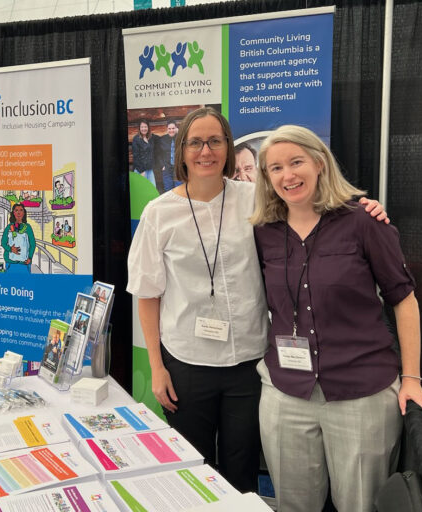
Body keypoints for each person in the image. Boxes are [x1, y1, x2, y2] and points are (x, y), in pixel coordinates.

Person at [128, 107, 389, 494]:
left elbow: (315, 210)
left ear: (228, 149)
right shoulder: (158, 214)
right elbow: (148, 294)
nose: (206, 151)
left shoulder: (257, 200)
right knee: (193, 470)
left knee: (242, 469)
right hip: (187, 362)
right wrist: (157, 366)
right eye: (195, 142)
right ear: (181, 151)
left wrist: (365, 208)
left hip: (250, 364)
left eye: (215, 141)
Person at [250, 125, 422, 512]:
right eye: (276, 168)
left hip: (361, 395)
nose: (288, 175)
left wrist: (412, 379)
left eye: (296, 162)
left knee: (361, 506)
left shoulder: (363, 221)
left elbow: (404, 300)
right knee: (293, 505)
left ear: (319, 162)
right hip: (286, 393)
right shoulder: (262, 231)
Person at [1, 203, 35, 272]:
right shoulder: (8, 227)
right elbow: (3, 242)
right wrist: (11, 249)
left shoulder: (28, 227)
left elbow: (33, 244)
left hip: (24, 263)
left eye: (21, 210)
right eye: (16, 210)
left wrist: (30, 257)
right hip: (10, 262)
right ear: (13, 213)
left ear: (24, 212)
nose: (19, 213)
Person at [155, 119, 179, 193]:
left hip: (178, 169)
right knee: (168, 191)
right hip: (167, 169)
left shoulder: (180, 138)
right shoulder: (162, 139)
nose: (171, 130)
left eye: (173, 128)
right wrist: (162, 165)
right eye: (169, 128)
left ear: (176, 129)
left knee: (179, 190)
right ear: (167, 129)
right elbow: (158, 154)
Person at [132, 119, 156, 188]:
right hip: (140, 170)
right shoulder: (136, 139)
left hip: (149, 169)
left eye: (145, 127)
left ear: (148, 128)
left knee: (152, 188)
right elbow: (136, 156)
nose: (144, 129)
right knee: (142, 190)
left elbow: (161, 139)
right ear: (139, 128)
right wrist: (141, 171)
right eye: (142, 127)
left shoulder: (151, 138)